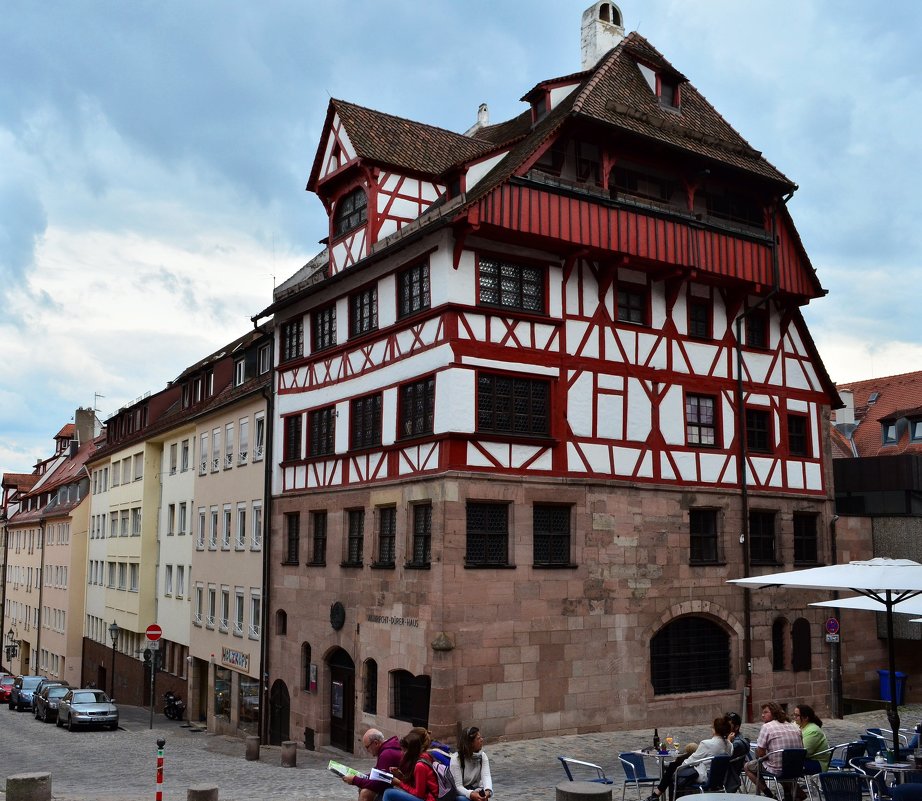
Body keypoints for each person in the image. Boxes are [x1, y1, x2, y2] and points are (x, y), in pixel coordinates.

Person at [646, 717, 732, 801]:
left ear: (715, 729)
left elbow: (691, 761)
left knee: (673, 771)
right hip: (719, 779)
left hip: (704, 776)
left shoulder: (707, 744)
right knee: (673, 770)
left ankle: (656, 794)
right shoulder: (729, 745)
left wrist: (678, 768)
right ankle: (656, 794)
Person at [744, 702, 804, 797]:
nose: (762, 715)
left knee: (748, 767)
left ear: (774, 712)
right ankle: (792, 794)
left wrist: (768, 756)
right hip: (795, 768)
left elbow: (760, 753)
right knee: (779, 763)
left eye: (766, 712)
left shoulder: (767, 727)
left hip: (777, 768)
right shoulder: (794, 727)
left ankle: (769, 795)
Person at [343, 728, 403, 801]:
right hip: (395, 786)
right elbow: (378, 773)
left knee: (365, 793)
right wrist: (360, 777)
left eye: (367, 747)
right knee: (364, 787)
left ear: (376, 743)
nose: (367, 751)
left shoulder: (387, 754)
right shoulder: (386, 749)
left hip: (401, 789)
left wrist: (355, 780)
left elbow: (380, 783)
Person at [383, 727, 438, 801]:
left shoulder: (420, 765)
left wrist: (399, 783)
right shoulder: (423, 757)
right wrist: (401, 776)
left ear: (412, 751)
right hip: (427, 797)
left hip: (430, 799)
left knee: (389, 793)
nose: (402, 753)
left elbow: (419, 794)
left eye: (404, 751)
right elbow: (417, 785)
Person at [450, 725, 493, 801]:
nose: (481, 740)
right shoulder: (456, 759)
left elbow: (486, 776)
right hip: (461, 793)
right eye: (478, 738)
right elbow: (458, 786)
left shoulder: (482, 756)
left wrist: (488, 790)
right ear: (470, 743)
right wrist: (471, 794)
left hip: (475, 789)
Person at [725, 712, 751, 793]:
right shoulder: (736, 740)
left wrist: (728, 741)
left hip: (725, 777)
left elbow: (722, 757)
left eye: (727, 725)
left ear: (736, 727)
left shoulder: (736, 744)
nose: (724, 727)